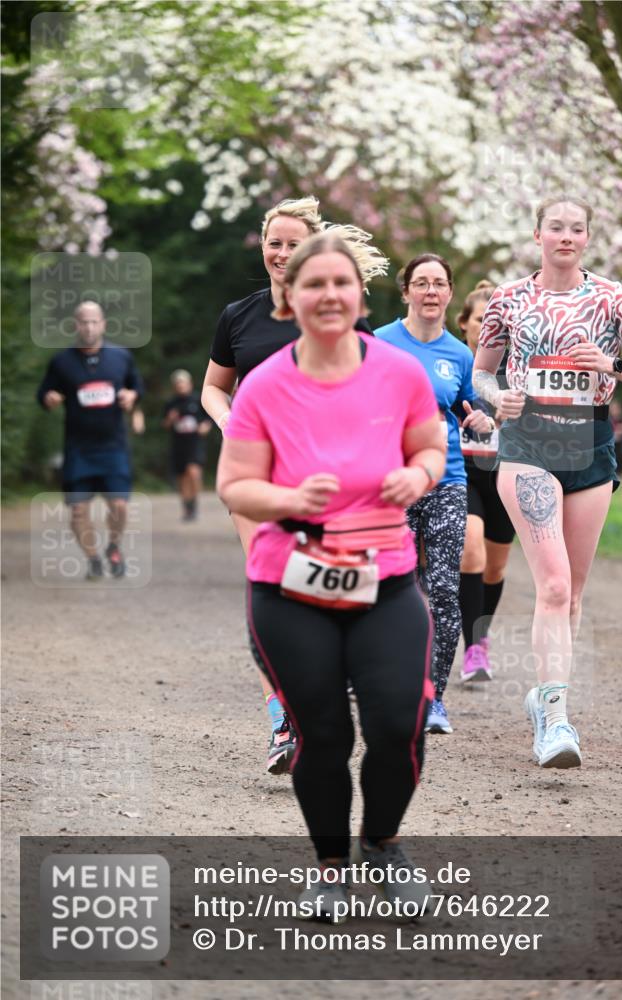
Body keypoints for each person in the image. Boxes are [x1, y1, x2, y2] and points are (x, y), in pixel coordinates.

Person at [217, 231, 445, 920]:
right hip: (291, 585)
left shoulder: (398, 372)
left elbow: (430, 443)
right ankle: (329, 867)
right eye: (312, 284)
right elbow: (234, 485)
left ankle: (382, 844)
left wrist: (418, 473)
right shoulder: (264, 385)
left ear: (358, 295)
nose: (327, 295)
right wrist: (289, 500)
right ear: (290, 297)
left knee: (398, 720)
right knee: (322, 734)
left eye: (339, 283)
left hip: (385, 578)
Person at [473, 195, 622, 769]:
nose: (565, 236)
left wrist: (614, 367)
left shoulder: (614, 299)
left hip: (590, 445)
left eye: (576, 228)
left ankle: (543, 696)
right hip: (528, 443)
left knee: (573, 593)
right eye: (554, 227)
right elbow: (480, 374)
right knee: (554, 585)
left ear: (587, 237)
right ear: (537, 235)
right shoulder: (508, 299)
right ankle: (556, 719)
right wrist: (497, 397)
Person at [202, 196, 388, 775]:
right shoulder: (238, 315)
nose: (280, 253)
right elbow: (213, 388)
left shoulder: (335, 310)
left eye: (291, 243)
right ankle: (282, 719)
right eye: (272, 243)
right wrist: (230, 420)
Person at [375, 255, 495, 734]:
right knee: (391, 588)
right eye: (420, 283)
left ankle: (432, 698)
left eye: (438, 284)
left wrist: (482, 419)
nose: (430, 291)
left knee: (443, 590)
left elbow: (471, 408)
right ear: (405, 292)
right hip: (389, 482)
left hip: (446, 481)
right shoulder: (378, 344)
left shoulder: (459, 355)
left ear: (449, 294)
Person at [36, 300, 144, 580]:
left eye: (94, 321)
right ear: (76, 325)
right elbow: (43, 394)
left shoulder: (121, 357)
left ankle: (114, 547)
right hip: (78, 449)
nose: (89, 326)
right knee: (77, 512)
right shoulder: (61, 362)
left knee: (119, 506)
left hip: (113, 446)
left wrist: (132, 396)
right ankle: (93, 558)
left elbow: (136, 386)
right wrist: (49, 398)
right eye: (84, 321)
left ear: (103, 324)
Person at [456, 281, 516, 681]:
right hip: (464, 474)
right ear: (464, 323)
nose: (488, 327)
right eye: (482, 319)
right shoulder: (455, 361)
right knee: (470, 549)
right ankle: (472, 649)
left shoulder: (516, 369)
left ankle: (482, 635)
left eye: (497, 321)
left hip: (506, 474)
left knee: (494, 568)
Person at [163, 369, 212, 521]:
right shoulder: (171, 403)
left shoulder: (198, 400)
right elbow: (164, 425)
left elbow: (209, 418)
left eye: (183, 383)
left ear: (189, 383)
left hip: (195, 443)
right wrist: (170, 419)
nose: (180, 386)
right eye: (178, 384)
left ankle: (194, 503)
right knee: (182, 477)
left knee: (194, 473)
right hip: (179, 444)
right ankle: (187, 507)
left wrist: (205, 426)